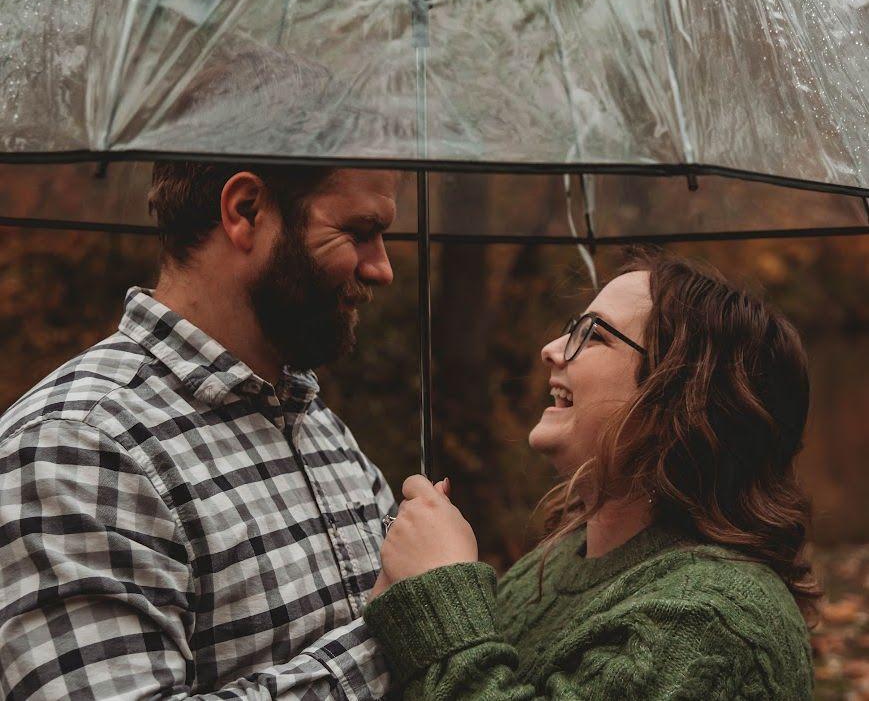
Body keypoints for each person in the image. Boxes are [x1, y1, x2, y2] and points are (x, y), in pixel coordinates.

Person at [0, 47, 402, 699]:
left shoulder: (317, 425)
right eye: (359, 231)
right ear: (245, 210)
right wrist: (395, 635)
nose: (381, 267)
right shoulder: (75, 449)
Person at [365, 251, 817, 700]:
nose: (551, 349)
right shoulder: (553, 564)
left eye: (594, 335)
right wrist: (406, 611)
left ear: (683, 396)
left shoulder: (717, 618)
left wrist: (439, 594)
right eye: (572, 328)